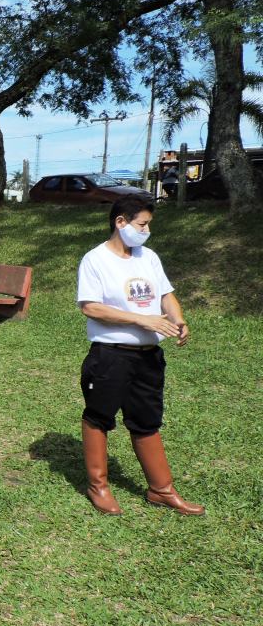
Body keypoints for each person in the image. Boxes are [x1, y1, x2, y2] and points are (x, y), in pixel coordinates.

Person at [76, 197, 203, 516]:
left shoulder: (149, 258)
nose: (146, 231)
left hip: (148, 356)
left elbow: (165, 295)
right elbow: (90, 306)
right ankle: (98, 486)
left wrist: (178, 319)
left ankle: (161, 490)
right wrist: (142, 319)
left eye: (148, 225)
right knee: (98, 416)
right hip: (111, 355)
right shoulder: (95, 260)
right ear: (121, 222)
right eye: (142, 224)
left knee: (147, 420)